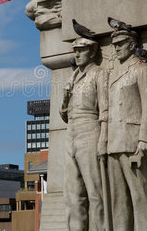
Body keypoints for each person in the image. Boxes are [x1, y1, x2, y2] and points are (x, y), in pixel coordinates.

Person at [105, 30, 147, 231]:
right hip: (114, 144)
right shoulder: (113, 73)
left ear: (131, 44)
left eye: (120, 43)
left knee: (139, 197)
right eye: (114, 44)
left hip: (132, 142)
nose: (116, 48)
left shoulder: (142, 70)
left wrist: (145, 141)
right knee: (118, 201)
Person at [60, 36, 108, 231]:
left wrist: (104, 138)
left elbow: (105, 109)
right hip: (71, 132)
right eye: (75, 50)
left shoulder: (99, 74)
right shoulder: (72, 76)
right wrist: (64, 101)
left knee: (96, 192)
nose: (77, 54)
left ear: (92, 51)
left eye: (81, 50)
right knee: (72, 194)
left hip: (90, 130)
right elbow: (64, 114)